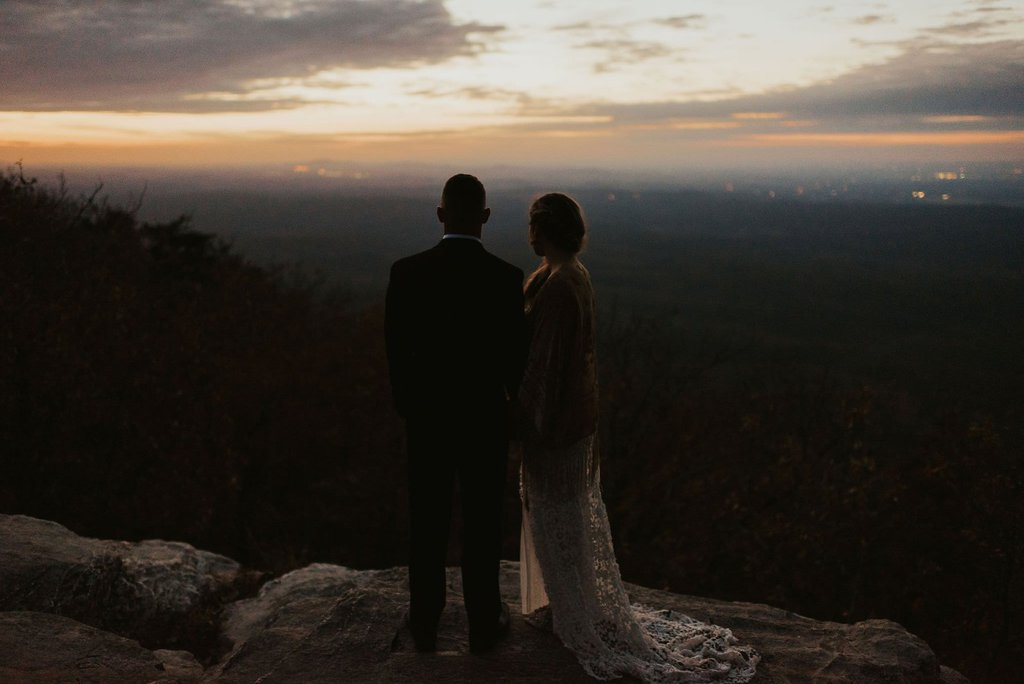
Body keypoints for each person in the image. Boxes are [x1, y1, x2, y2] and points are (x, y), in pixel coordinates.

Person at [516, 192, 759, 682]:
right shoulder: (570, 276)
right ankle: (569, 605)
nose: (530, 233)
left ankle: (572, 613)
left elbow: (546, 368)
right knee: (563, 517)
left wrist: (523, 424)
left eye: (534, 224)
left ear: (546, 230)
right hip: (575, 423)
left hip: (558, 428)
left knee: (556, 515)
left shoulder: (560, 285)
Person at [385, 173, 527, 654]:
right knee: (483, 522)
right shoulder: (507, 279)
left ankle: (424, 620)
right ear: (485, 217)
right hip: (485, 420)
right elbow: (516, 362)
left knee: (427, 520)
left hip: (427, 419)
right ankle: (484, 622)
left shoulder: (406, 272)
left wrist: (409, 407)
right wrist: (510, 408)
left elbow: (396, 352)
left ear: (441, 213)